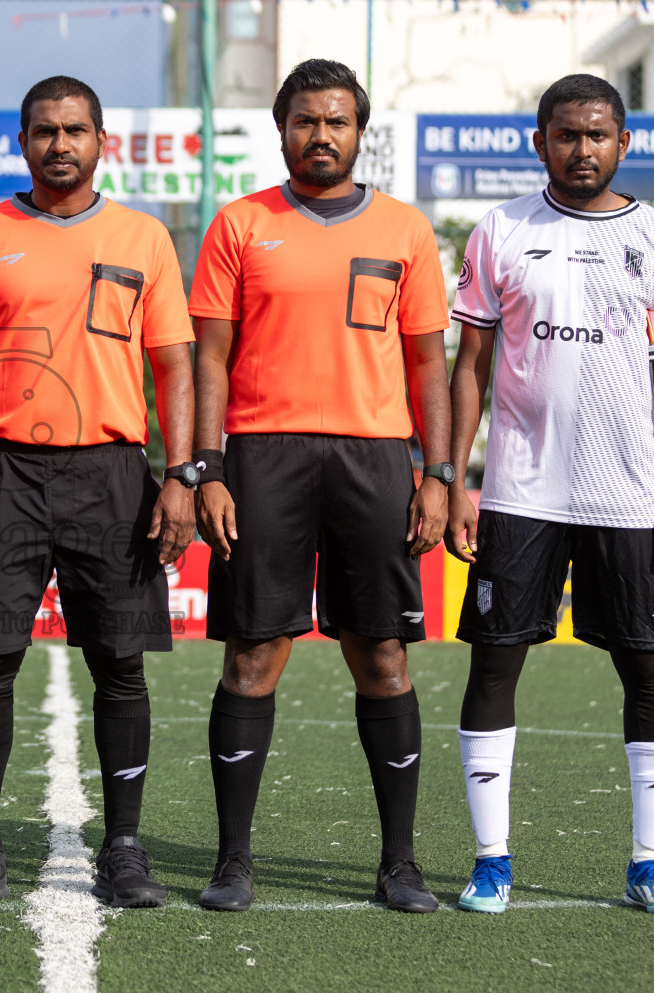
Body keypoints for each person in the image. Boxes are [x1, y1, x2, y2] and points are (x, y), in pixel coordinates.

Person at [0, 75, 195, 911]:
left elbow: (175, 365)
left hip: (112, 473)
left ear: (102, 140)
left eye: (76, 129)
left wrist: (181, 478)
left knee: (120, 665)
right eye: (44, 130)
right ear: (21, 140)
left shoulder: (144, 237)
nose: (60, 144)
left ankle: (124, 848)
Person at [189, 59, 452, 914]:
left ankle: (399, 863)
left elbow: (426, 363)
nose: (322, 135)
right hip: (264, 457)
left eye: (337, 121)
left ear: (359, 132)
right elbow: (211, 360)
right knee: (254, 654)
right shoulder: (239, 225)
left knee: (381, 656)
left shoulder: (406, 231)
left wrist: (439, 474)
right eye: (306, 120)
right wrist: (208, 468)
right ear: (282, 130)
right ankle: (233, 861)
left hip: (375, 459)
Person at [447, 74, 654, 916]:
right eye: (566, 134)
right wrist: (455, 482)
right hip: (521, 489)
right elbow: (470, 366)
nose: (581, 149)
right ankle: (491, 860)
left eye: (597, 135)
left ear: (623, 144)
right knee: (495, 663)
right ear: (540, 142)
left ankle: (649, 863)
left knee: (647, 670)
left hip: (626, 495)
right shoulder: (502, 229)